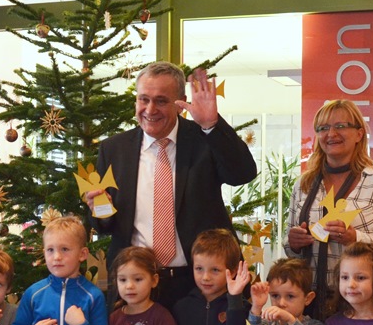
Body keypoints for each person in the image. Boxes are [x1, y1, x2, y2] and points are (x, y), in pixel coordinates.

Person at [88, 63, 257, 310]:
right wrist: (99, 210)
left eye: (161, 101)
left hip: (200, 283)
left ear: (181, 103)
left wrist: (211, 124)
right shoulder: (114, 149)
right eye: (143, 99)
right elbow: (106, 224)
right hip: (138, 285)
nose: (150, 109)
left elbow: (243, 173)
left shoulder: (204, 138)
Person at [285, 99, 373, 316]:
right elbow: (289, 248)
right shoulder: (304, 184)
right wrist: (293, 243)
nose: (331, 133)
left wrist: (358, 239)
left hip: (364, 306)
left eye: (340, 126)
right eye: (323, 128)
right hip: (309, 303)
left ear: (359, 134)